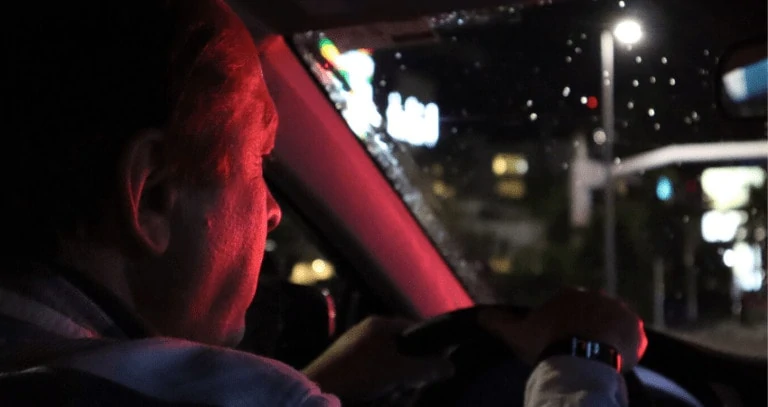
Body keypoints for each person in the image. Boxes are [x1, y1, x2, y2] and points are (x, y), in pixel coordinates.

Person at [0, 0, 646, 405]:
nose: (274, 210)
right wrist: (581, 362)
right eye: (259, 162)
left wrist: (327, 381)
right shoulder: (249, 395)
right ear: (156, 195)